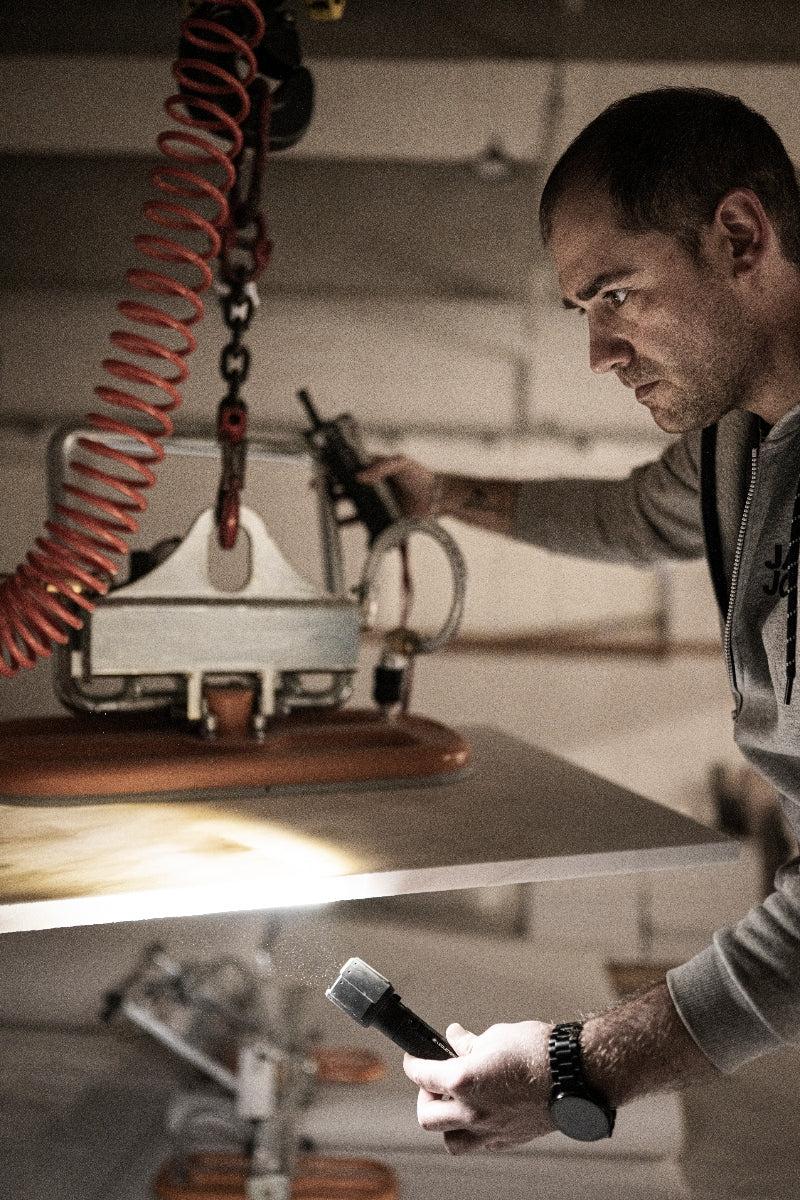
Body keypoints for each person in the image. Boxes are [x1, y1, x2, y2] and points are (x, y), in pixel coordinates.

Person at [358, 87, 800, 1153]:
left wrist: (580, 1064)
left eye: (615, 294)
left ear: (740, 237)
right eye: (580, 311)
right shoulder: (737, 441)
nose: (597, 351)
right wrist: (446, 493)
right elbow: (625, 515)